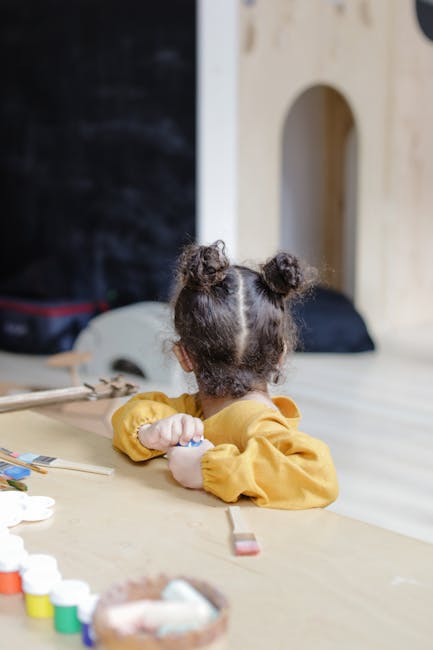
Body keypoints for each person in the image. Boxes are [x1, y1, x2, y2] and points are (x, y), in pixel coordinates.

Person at [111, 241, 338, 509]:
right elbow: (129, 413)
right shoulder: (191, 411)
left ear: (183, 356)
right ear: (280, 355)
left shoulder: (256, 423)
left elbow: (319, 475)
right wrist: (148, 433)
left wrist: (205, 468)